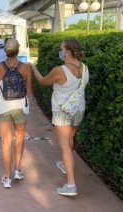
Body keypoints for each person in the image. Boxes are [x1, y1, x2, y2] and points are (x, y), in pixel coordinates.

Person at [32, 38, 89, 196]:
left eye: (61, 48)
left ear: (68, 52)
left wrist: (34, 69)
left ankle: (71, 185)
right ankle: (65, 164)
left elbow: (43, 81)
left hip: (62, 111)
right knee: (70, 139)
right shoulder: (84, 68)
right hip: (78, 109)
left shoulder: (60, 70)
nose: (60, 51)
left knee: (65, 146)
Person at [0, 38, 32, 188]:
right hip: (19, 106)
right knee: (20, 138)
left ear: (5, 51)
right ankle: (17, 170)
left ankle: (7, 177)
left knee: (6, 142)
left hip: (3, 107)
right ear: (18, 49)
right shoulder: (26, 68)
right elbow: (29, 91)